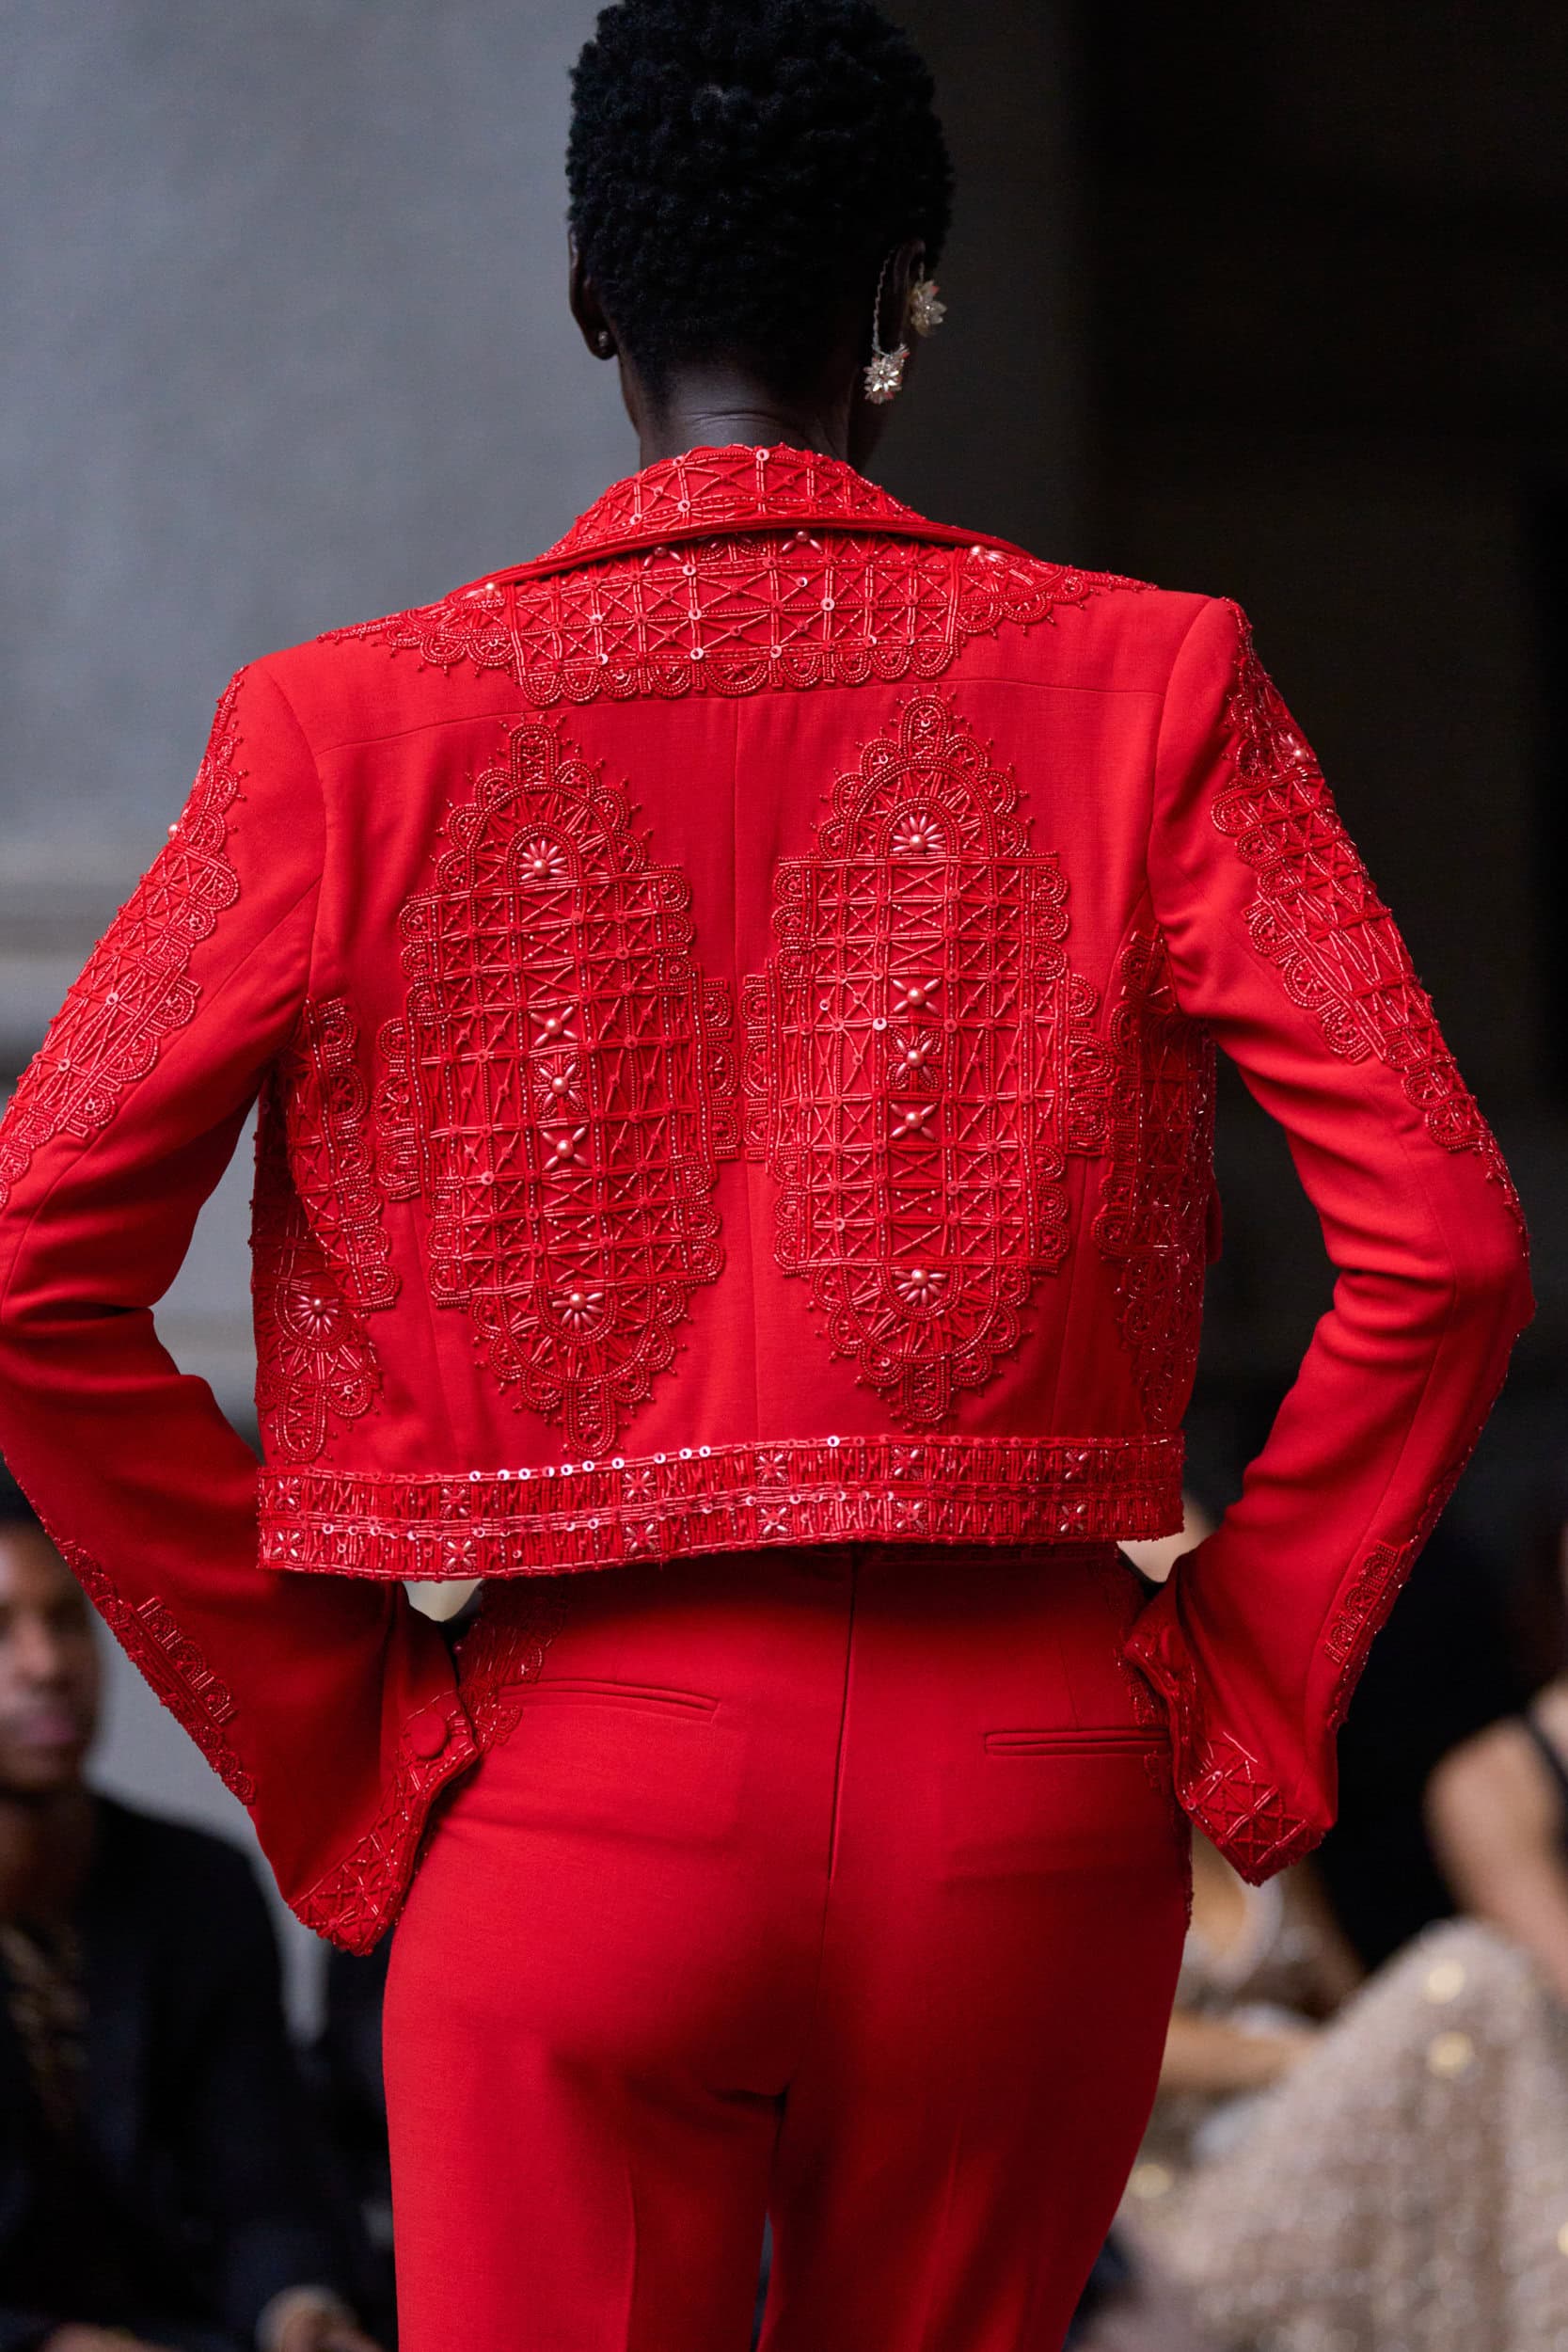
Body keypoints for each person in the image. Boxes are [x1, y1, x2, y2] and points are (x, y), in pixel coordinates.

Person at [0, 3, 1532, 2344]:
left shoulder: (341, 729)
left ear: (589, 300)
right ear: (903, 297)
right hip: (1023, 1796)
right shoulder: (1158, 684)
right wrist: (1233, 1679)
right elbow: (1447, 1246)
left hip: (559, 1791)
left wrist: (336, 1728)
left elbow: (31, 1266)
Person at [0, 1486, 378, 2352]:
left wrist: (298, 2310)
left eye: (66, 1622)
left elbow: (264, 2180)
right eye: (2, 1630)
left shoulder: (196, 1887)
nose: (45, 1664)